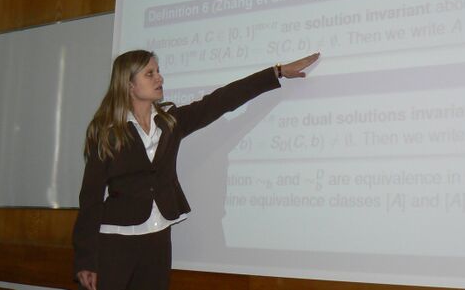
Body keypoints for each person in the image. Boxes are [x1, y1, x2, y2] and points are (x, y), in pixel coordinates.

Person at [72, 50, 320, 290]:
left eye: (158, 71)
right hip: (115, 240)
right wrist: (85, 259)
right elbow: (91, 197)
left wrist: (276, 72)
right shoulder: (107, 131)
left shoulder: (170, 122)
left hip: (158, 238)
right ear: (129, 85)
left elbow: (220, 101)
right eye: (150, 74)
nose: (159, 78)